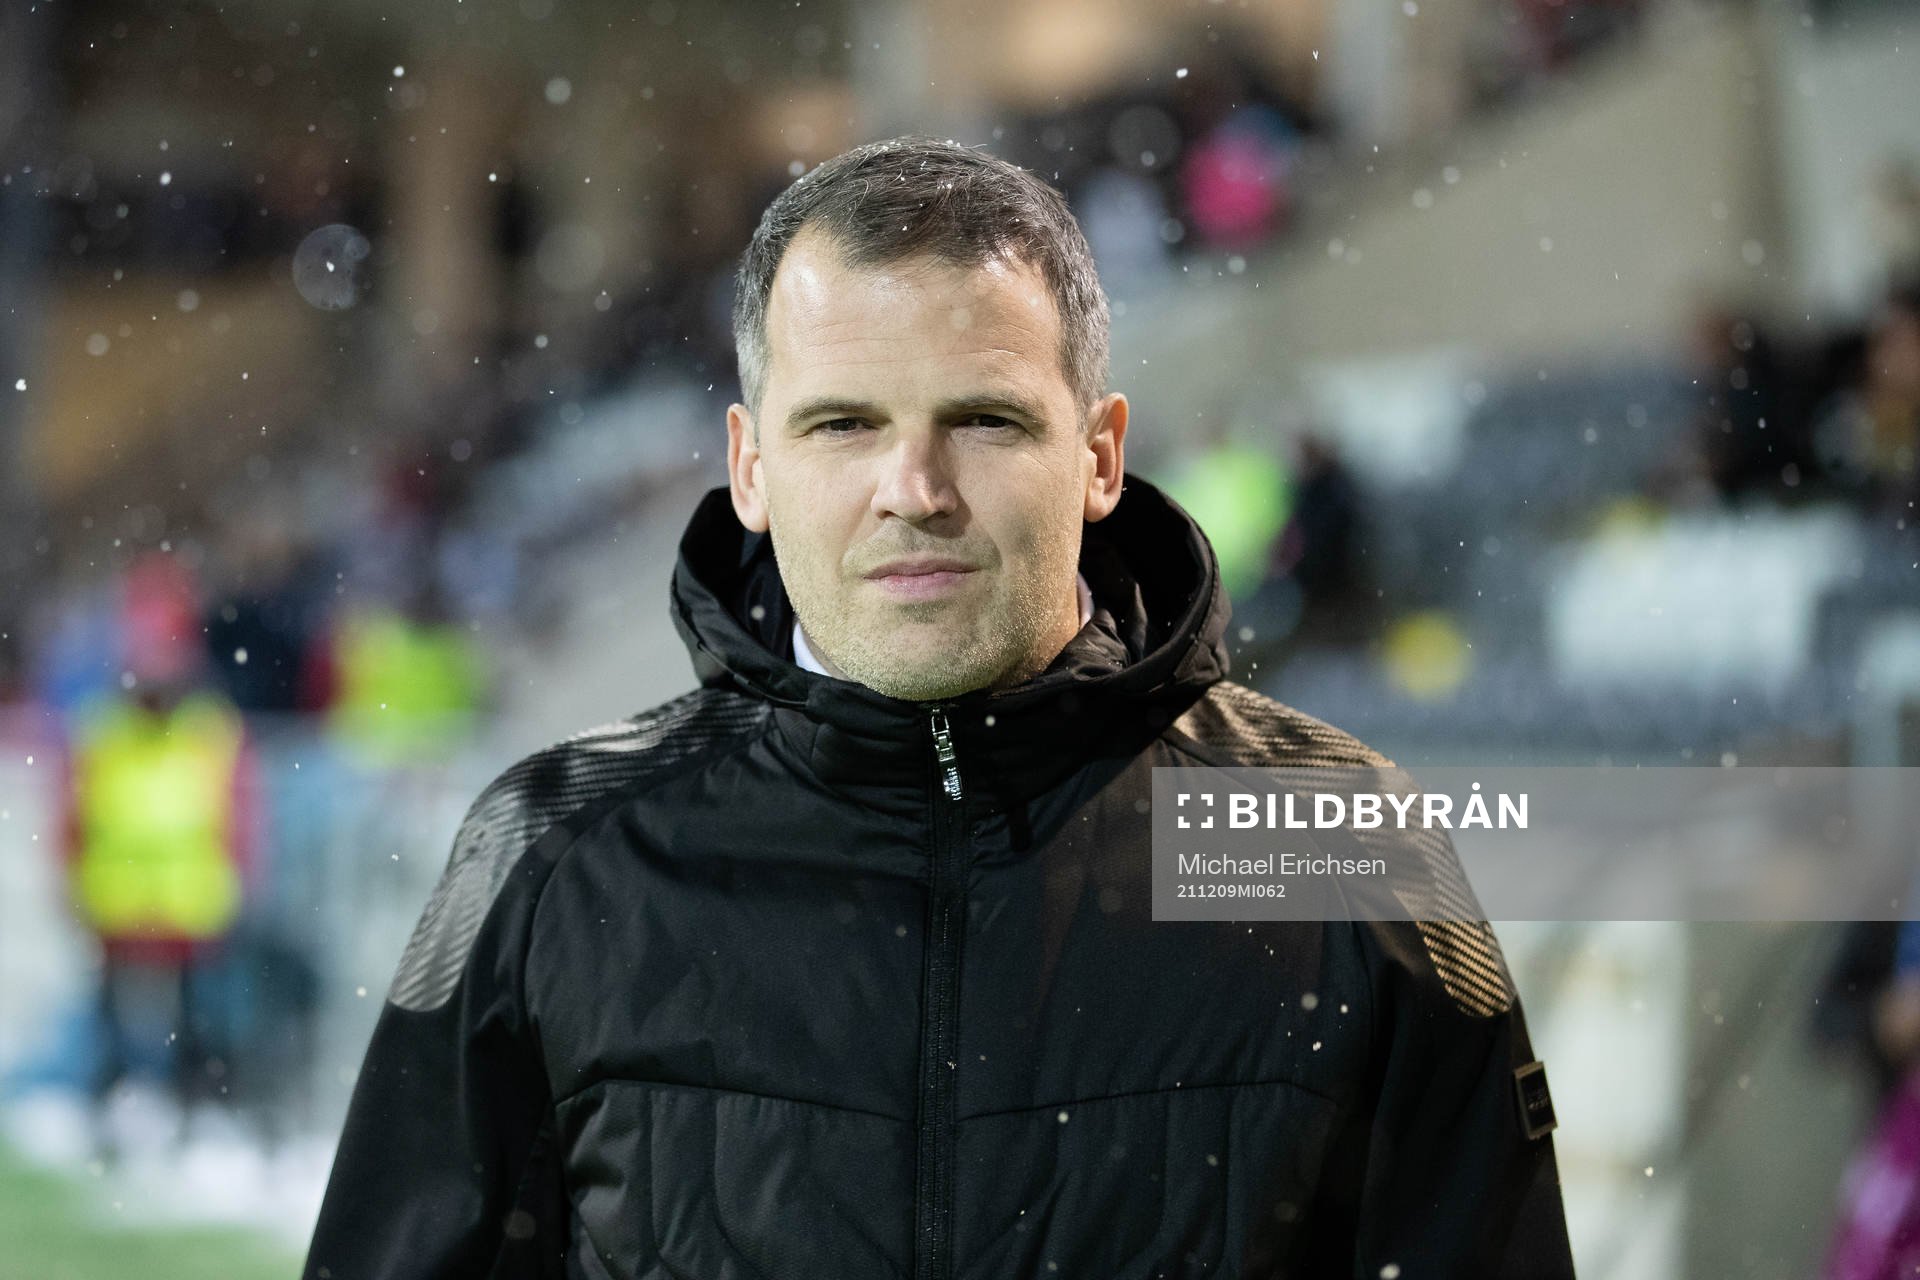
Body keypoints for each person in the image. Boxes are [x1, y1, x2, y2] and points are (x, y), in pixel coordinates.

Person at [304, 135, 1574, 1278]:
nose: (913, 487)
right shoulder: (550, 852)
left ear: (1098, 453)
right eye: (844, 423)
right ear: (751, 466)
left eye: (983, 418)